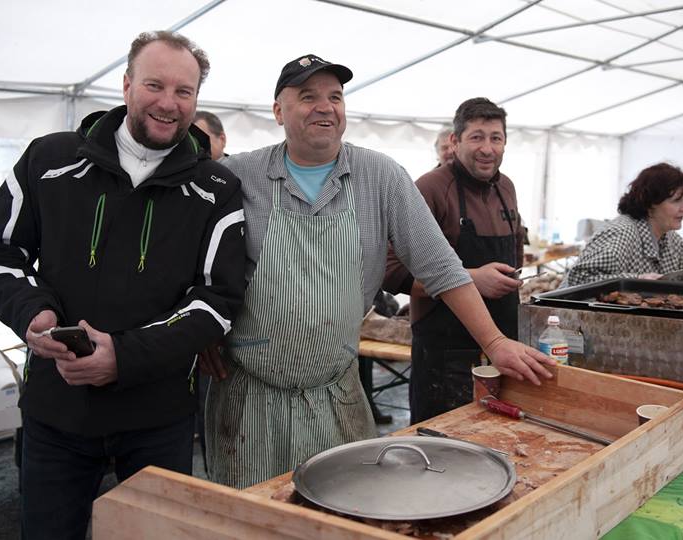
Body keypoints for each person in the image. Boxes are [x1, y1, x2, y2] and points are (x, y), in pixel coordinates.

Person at [202, 54, 555, 489]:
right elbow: (188, 260)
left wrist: (496, 342)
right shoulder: (236, 176)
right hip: (247, 396)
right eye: (307, 96)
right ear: (278, 111)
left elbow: (441, 267)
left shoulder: (380, 176)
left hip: (336, 393)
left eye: (335, 96)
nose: (325, 106)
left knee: (341, 510)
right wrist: (199, 333)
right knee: (250, 517)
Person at [0, 31, 246, 538]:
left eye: (184, 92)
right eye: (154, 85)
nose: (168, 103)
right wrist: (32, 311)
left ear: (197, 100)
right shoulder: (47, 161)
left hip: (158, 416)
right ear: (125, 85)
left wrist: (125, 355)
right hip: (58, 411)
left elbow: (218, 301)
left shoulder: (216, 189)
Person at [384, 98, 524, 423]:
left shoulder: (507, 187)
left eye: (495, 138)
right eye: (476, 137)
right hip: (444, 349)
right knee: (442, 444)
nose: (487, 148)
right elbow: (390, 270)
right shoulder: (430, 188)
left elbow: (516, 250)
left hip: (501, 341)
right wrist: (472, 278)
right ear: (455, 141)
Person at [563, 163, 683, 287]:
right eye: (677, 201)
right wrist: (635, 280)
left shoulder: (669, 238)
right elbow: (579, 278)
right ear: (650, 203)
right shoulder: (622, 234)